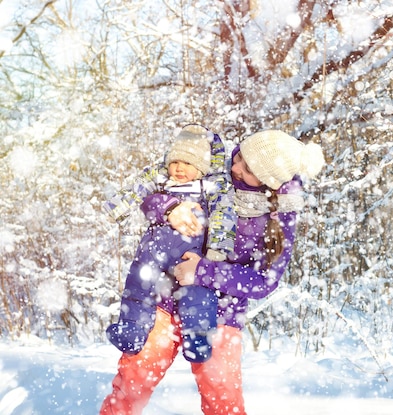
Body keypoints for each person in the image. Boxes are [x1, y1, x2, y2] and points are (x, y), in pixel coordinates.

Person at [99, 129, 325, 415]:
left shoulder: (279, 216)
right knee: (131, 386)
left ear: (268, 184)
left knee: (223, 399)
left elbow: (264, 282)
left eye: (247, 169)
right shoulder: (213, 168)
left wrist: (202, 272)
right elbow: (149, 195)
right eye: (240, 155)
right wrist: (170, 208)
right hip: (164, 300)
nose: (235, 167)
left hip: (221, 312)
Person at [103, 124, 236, 363]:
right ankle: (132, 330)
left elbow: (223, 215)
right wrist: (118, 207)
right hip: (155, 249)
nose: (179, 168)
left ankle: (198, 337)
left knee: (197, 292)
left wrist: (217, 251)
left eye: (188, 163)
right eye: (175, 161)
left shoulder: (211, 187)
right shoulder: (162, 179)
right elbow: (137, 190)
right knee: (140, 282)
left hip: (191, 252)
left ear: (202, 167)